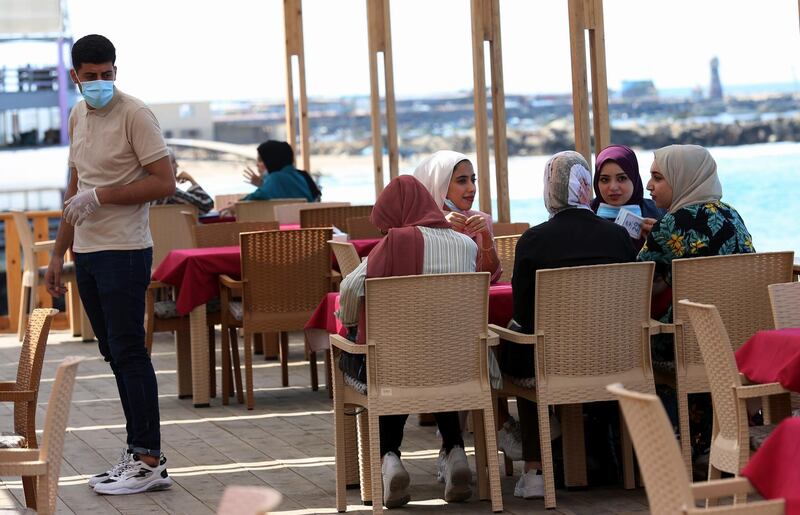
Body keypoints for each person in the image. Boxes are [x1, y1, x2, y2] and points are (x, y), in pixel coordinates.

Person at [44, 34, 175, 495]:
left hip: (125, 249)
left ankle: (148, 458)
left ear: (115, 71)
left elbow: (164, 181)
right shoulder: (78, 113)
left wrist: (103, 196)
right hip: (89, 253)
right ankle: (139, 449)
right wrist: (58, 254)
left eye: (108, 74)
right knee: (114, 353)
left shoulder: (135, 114)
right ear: (75, 76)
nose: (100, 82)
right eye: (91, 76)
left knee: (129, 350)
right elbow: (75, 190)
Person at [501, 151, 637, 499]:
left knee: (520, 343)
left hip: (553, 361)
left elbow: (524, 312)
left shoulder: (534, 240)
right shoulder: (619, 237)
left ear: (551, 187)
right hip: (616, 357)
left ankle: (534, 469)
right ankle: (630, 466)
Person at [336, 175, 478, 508]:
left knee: (386, 359)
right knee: (434, 355)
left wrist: (353, 322)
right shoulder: (467, 245)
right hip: (459, 364)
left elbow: (349, 290)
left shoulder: (394, 244)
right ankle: (455, 451)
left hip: (398, 366)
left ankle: (390, 459)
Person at [412, 150, 501, 282]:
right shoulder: (416, 224)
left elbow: (490, 277)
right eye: (462, 181)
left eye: (473, 180)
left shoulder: (480, 220)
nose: (472, 188)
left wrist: (486, 237)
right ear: (440, 185)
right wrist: (440, 231)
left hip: (472, 299)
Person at [590, 144, 666, 249]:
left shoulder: (658, 213)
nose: (613, 187)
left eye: (622, 178)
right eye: (604, 179)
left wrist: (662, 239)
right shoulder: (585, 215)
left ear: (634, 178)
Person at [240, 140, 320, 202]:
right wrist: (263, 183)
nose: (257, 164)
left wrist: (236, 205)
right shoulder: (302, 175)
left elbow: (256, 197)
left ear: (271, 161)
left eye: (261, 160)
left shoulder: (275, 178)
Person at [151, 148, 214, 213]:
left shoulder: (150, 191)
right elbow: (207, 204)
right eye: (173, 162)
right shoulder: (169, 192)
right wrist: (192, 181)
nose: (177, 165)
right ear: (164, 168)